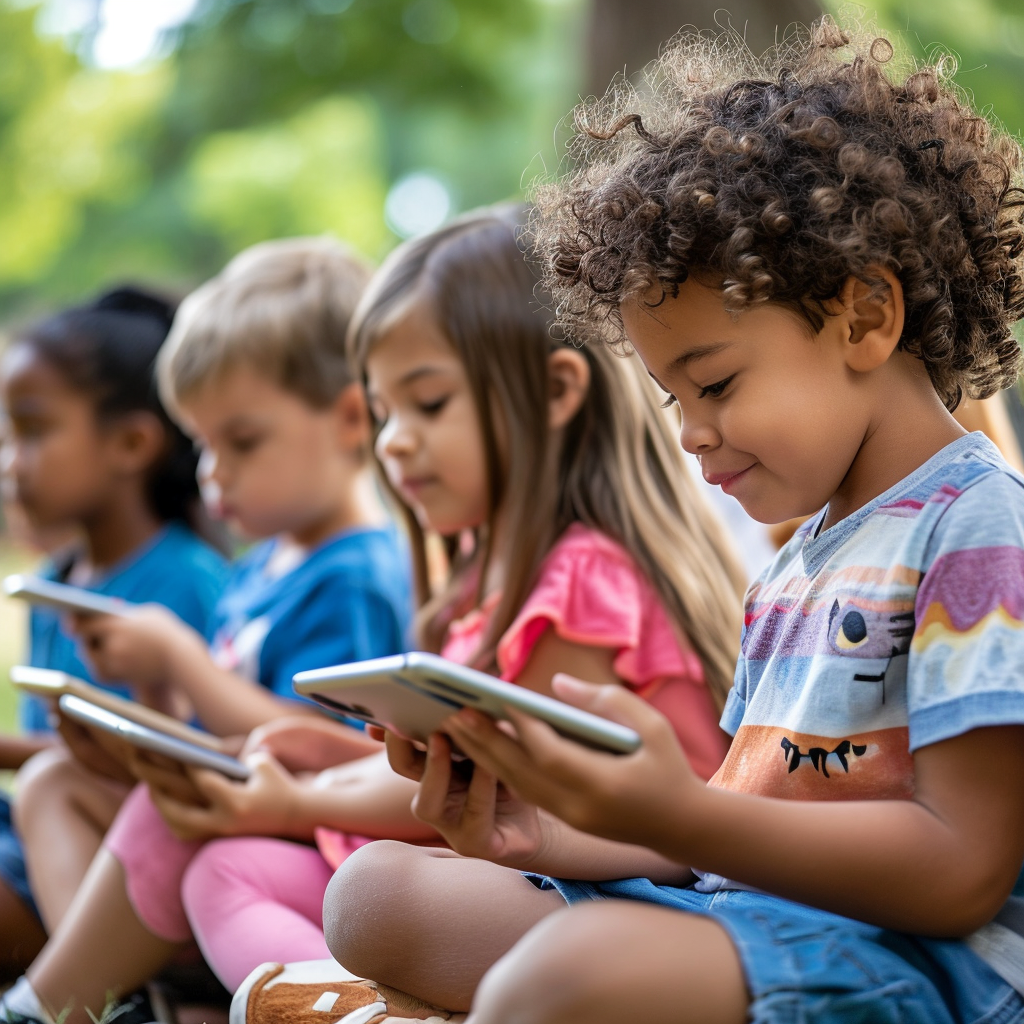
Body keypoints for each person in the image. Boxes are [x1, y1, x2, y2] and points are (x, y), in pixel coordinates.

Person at [293, 21, 1024, 1024]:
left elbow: (960, 870)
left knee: (570, 974)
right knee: (376, 894)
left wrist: (680, 813)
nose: (689, 434)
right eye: (672, 400)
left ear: (864, 317)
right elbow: (726, 823)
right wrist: (540, 825)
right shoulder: (799, 561)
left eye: (714, 383)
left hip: (915, 968)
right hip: (758, 919)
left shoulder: (977, 532)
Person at [2, 206, 746, 1024]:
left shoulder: (583, 580)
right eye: (387, 412)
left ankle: (83, 1006)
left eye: (426, 406)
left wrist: (296, 799)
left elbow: (504, 784)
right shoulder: (483, 583)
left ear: (555, 393)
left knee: (370, 892)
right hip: (523, 872)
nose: (394, 442)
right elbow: (457, 769)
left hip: (616, 896)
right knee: (229, 870)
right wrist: (323, 755)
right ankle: (323, 1004)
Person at [0, 236, 412, 1024]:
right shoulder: (262, 570)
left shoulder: (356, 572)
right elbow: (214, 724)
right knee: (54, 784)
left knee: (136, 809)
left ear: (350, 419)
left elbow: (336, 747)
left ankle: (50, 1005)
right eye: (205, 446)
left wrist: (184, 663)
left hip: (317, 841)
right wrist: (141, 716)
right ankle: (114, 994)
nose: (212, 473)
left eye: (242, 443)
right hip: (248, 813)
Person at [0, 287, 229, 979]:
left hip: (115, 857)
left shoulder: (188, 581)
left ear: (131, 442)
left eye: (33, 432)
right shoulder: (54, 578)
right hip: (38, 836)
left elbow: (180, 753)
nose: (10, 462)